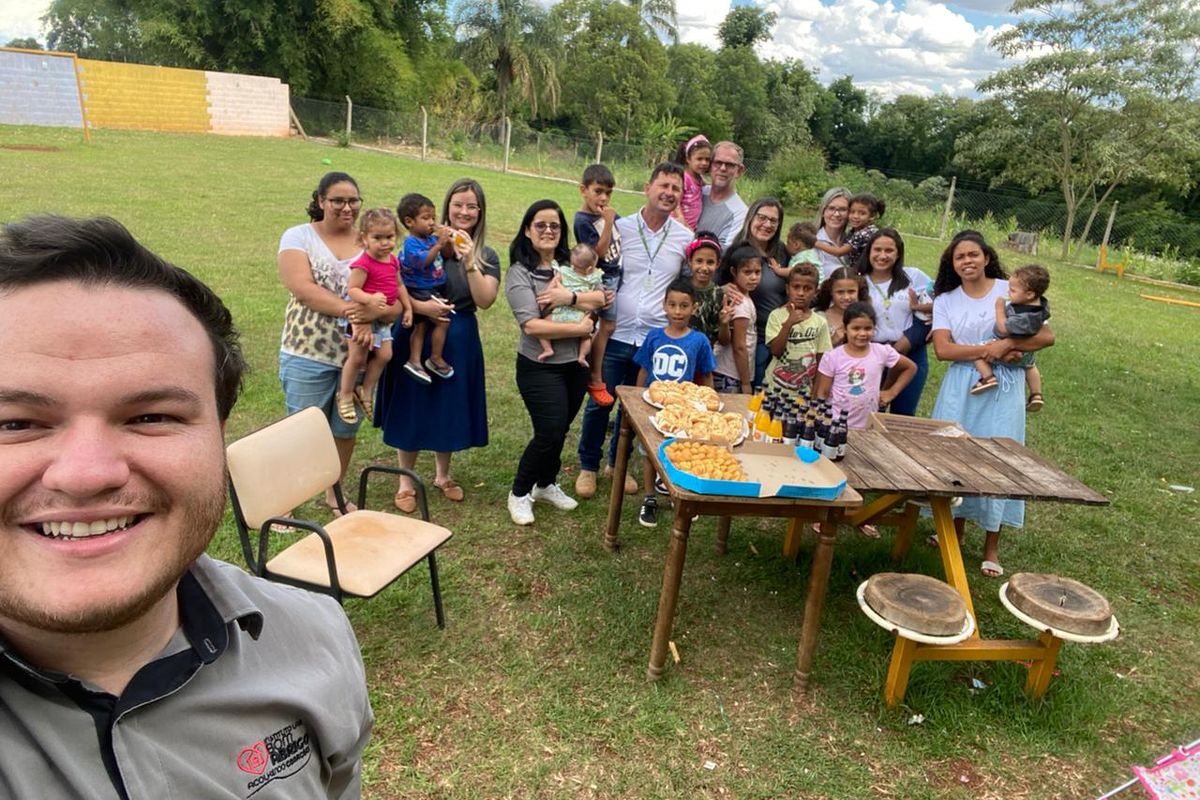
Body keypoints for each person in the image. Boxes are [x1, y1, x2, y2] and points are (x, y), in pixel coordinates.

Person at [0, 215, 372, 798]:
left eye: (152, 417)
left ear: (219, 434)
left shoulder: (316, 637)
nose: (86, 474)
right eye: (15, 423)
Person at [930, 231, 1055, 577]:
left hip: (1005, 386)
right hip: (962, 385)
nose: (967, 261)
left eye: (973, 254)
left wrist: (1009, 344)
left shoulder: (1009, 289)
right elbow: (943, 350)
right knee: (954, 456)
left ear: (986, 257)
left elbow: (1046, 336)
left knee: (999, 459)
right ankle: (951, 533)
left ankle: (991, 546)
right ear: (952, 265)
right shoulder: (946, 300)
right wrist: (993, 349)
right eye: (959, 257)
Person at [375, 178, 499, 511]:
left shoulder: (486, 253)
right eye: (458, 204)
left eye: (472, 206)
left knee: (448, 407)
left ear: (480, 212)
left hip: (458, 335)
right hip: (416, 323)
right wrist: (421, 308)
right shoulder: (421, 241)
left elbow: (485, 300)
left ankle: (443, 475)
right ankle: (405, 480)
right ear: (446, 207)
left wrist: (470, 258)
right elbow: (396, 283)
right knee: (412, 404)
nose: (464, 211)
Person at [279, 171, 398, 514]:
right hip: (308, 350)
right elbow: (303, 288)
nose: (347, 207)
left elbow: (391, 295)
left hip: (360, 354)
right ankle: (287, 499)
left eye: (353, 201)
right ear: (320, 201)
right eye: (338, 201)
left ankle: (334, 493)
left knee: (344, 430)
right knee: (302, 428)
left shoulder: (373, 241)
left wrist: (389, 311)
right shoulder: (298, 236)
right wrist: (357, 313)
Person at [575, 163, 692, 500]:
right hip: (616, 332)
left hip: (655, 339)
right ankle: (588, 466)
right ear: (647, 187)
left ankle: (618, 465)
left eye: (676, 189)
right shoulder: (620, 227)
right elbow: (591, 263)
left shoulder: (684, 238)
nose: (669, 193)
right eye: (664, 185)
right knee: (601, 401)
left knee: (637, 408)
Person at [505, 200, 609, 526]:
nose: (548, 230)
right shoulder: (520, 273)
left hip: (574, 365)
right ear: (527, 230)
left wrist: (570, 298)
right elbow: (532, 325)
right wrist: (578, 328)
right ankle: (520, 492)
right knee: (548, 431)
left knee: (561, 429)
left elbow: (602, 297)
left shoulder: (572, 265)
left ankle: (546, 483)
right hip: (539, 365)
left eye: (555, 225)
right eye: (541, 225)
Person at [633, 279, 716, 527]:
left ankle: (674, 492)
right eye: (672, 305)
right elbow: (643, 369)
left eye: (684, 306)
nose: (678, 311)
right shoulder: (654, 336)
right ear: (664, 306)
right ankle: (649, 497)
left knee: (677, 452)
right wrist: (635, 400)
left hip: (683, 410)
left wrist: (709, 406)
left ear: (694, 308)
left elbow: (706, 374)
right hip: (652, 406)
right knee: (649, 452)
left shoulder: (699, 341)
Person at [337, 208, 413, 424]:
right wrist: (369, 299)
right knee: (358, 357)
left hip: (383, 321)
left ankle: (366, 389)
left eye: (389, 237)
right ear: (364, 238)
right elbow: (352, 290)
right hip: (363, 319)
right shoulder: (363, 264)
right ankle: (344, 394)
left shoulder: (392, 261)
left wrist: (407, 308)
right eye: (377, 238)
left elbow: (399, 285)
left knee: (385, 355)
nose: (385, 243)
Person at [855, 228, 933, 416]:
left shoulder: (914, 276)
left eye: (889, 251)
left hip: (910, 354)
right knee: (868, 413)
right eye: (877, 250)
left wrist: (934, 324)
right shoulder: (858, 281)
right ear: (869, 252)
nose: (882, 256)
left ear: (898, 253)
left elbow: (939, 303)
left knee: (903, 415)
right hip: (872, 355)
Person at [814, 301, 917, 430]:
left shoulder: (882, 352)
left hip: (868, 426)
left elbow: (910, 367)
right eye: (856, 328)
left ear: (874, 328)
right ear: (845, 329)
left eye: (868, 328)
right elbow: (822, 393)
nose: (862, 334)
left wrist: (891, 392)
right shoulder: (832, 357)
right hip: (835, 424)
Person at [970, 263, 1051, 412]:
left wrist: (999, 308)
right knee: (1031, 367)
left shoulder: (1024, 317)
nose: (1009, 292)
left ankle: (988, 378)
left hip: (1003, 347)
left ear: (1029, 295)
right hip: (1027, 352)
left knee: (976, 352)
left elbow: (1003, 328)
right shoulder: (1041, 308)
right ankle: (1036, 394)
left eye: (1013, 290)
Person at [574, 163, 622, 407]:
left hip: (616, 277)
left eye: (608, 193)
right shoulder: (583, 220)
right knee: (605, 326)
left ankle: (584, 362)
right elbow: (597, 255)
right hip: (602, 278)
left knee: (602, 326)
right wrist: (609, 222)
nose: (603, 198)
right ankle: (594, 376)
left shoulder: (605, 215)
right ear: (584, 190)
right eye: (598, 191)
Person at [729, 197, 789, 390]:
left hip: (778, 337)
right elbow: (716, 282)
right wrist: (722, 289)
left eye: (773, 220)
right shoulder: (737, 250)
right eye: (762, 217)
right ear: (750, 218)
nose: (767, 224)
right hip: (747, 339)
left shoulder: (782, 253)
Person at [396, 192, 455, 384]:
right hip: (419, 289)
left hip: (432, 287)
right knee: (442, 322)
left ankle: (415, 360)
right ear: (409, 221)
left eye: (433, 218)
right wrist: (438, 244)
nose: (431, 222)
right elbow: (423, 262)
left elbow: (446, 253)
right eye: (426, 218)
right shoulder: (411, 243)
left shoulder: (430, 238)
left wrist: (446, 241)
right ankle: (434, 358)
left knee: (421, 326)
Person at [764, 263, 831, 399]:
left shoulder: (820, 322)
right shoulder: (776, 316)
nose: (801, 293)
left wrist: (815, 391)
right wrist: (789, 323)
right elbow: (775, 351)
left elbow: (821, 360)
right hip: (775, 386)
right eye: (796, 287)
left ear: (815, 292)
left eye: (807, 289)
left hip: (804, 391)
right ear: (788, 289)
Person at [535, 243, 603, 364]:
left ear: (571, 264)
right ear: (589, 269)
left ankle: (548, 349)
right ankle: (582, 356)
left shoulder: (564, 272)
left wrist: (545, 297)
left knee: (542, 328)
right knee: (586, 336)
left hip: (561, 314)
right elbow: (600, 297)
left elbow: (553, 285)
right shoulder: (593, 278)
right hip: (580, 317)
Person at [712, 243, 763, 394]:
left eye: (757, 272)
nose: (753, 277)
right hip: (731, 374)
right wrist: (746, 383)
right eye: (747, 272)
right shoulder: (739, 303)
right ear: (734, 271)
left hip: (730, 372)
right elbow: (739, 346)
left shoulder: (744, 298)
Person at [695, 141, 749, 248]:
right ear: (710, 166)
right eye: (718, 163)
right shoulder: (696, 193)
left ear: (739, 170)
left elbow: (721, 253)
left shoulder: (740, 213)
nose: (723, 168)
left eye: (730, 165)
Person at [815, 192, 885, 267]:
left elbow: (839, 252)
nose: (855, 216)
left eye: (862, 213)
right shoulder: (855, 231)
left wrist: (814, 242)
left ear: (872, 216)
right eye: (852, 212)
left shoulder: (865, 233)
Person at [815, 265, 869, 348]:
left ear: (858, 291)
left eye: (851, 292)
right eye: (840, 292)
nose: (846, 297)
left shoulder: (866, 315)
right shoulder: (819, 317)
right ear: (831, 292)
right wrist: (833, 341)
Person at [686, 230, 725, 345]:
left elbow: (723, 340)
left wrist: (724, 323)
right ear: (689, 261)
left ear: (718, 264)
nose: (704, 267)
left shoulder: (718, 294)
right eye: (699, 261)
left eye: (710, 262)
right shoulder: (681, 288)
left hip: (704, 354)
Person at [673, 134, 712, 230]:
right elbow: (675, 201)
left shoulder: (699, 179)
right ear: (688, 159)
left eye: (707, 159)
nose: (704, 163)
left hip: (691, 227)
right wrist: (681, 219)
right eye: (699, 159)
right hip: (678, 225)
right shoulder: (684, 178)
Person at [814, 187, 852, 275]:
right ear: (823, 211)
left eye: (842, 209)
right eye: (831, 208)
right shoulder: (811, 243)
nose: (836, 214)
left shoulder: (854, 242)